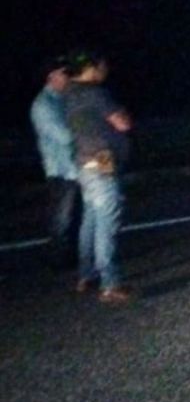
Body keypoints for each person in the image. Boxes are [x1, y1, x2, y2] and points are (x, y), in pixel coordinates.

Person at [64, 52, 132, 304]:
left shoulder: (70, 94)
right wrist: (122, 114)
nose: (106, 71)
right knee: (107, 222)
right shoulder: (95, 93)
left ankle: (86, 274)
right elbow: (122, 123)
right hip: (102, 161)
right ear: (93, 67)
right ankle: (110, 283)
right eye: (103, 65)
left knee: (90, 220)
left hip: (84, 162)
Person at [30, 56, 79, 269]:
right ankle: (58, 260)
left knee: (72, 215)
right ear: (51, 77)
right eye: (63, 73)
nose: (67, 77)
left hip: (71, 168)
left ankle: (71, 257)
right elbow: (65, 137)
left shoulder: (61, 99)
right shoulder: (43, 105)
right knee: (62, 218)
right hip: (60, 170)